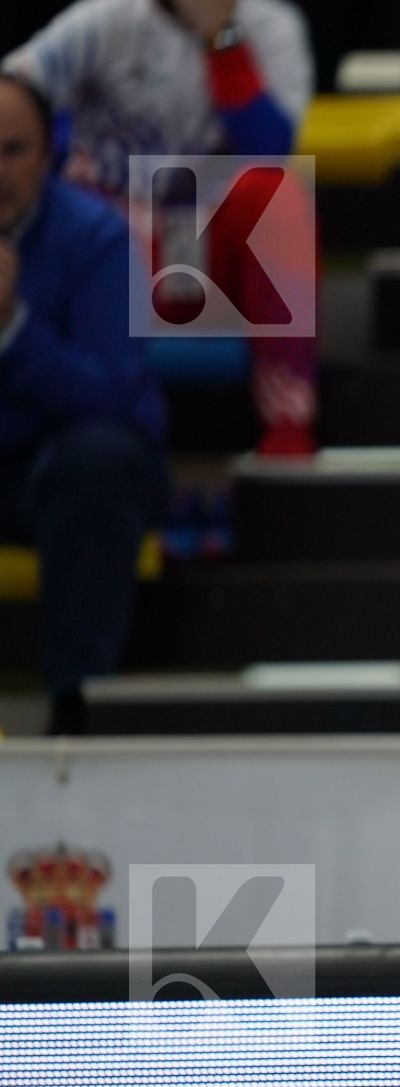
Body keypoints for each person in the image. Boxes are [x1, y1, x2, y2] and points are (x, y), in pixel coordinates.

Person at [5, 0, 317, 456]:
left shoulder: (273, 26)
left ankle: (287, 431)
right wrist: (69, 150)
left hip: (216, 250)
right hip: (118, 246)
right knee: (81, 204)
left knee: (279, 197)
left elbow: (272, 147)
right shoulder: (103, 21)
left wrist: (222, 40)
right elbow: (13, 104)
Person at [0, 73, 166, 734]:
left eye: (12, 150)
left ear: (49, 156)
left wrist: (12, 329)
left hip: (74, 472)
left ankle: (79, 710)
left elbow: (111, 394)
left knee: (95, 460)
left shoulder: (96, 241)